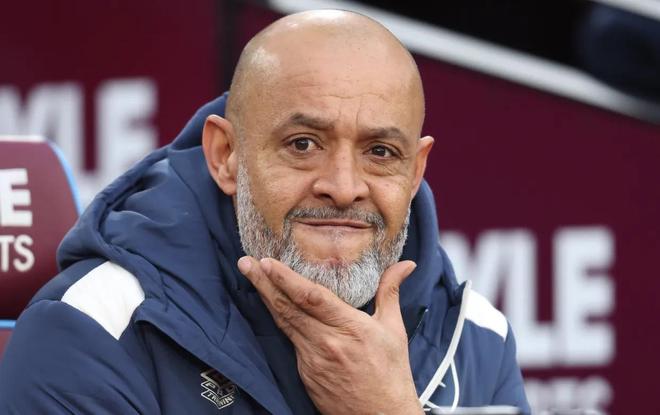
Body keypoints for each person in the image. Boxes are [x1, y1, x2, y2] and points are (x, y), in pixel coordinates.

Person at [0, 10, 530, 414]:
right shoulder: (92, 329)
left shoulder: (475, 335)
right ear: (225, 156)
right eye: (303, 144)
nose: (343, 188)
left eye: (380, 152)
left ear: (415, 172)